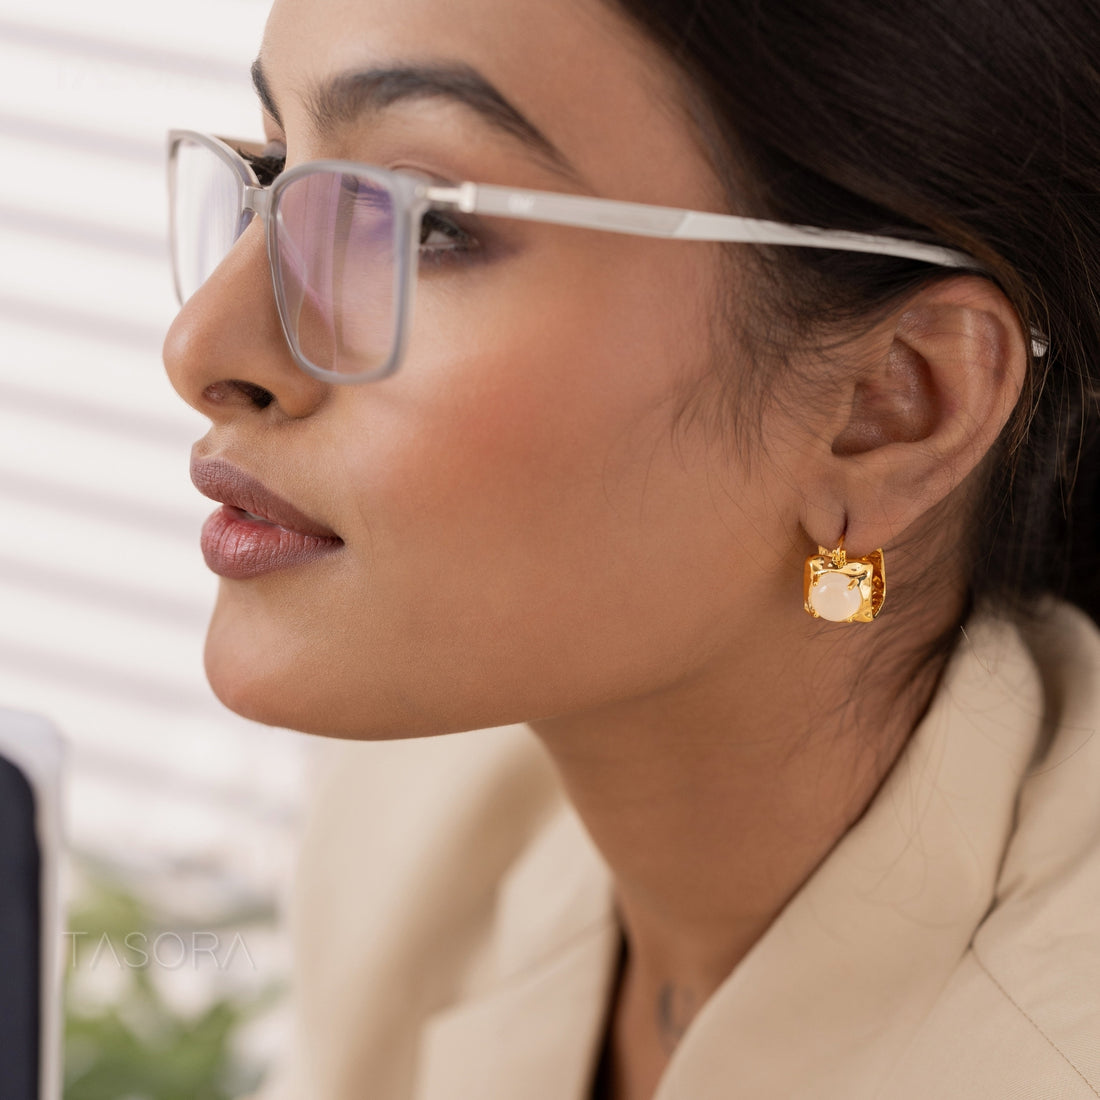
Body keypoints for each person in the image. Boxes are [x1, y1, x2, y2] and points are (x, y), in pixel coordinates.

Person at [162, 0, 1100, 1096]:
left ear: (883, 410)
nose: (201, 347)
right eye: (276, 167)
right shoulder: (413, 826)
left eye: (420, 219)